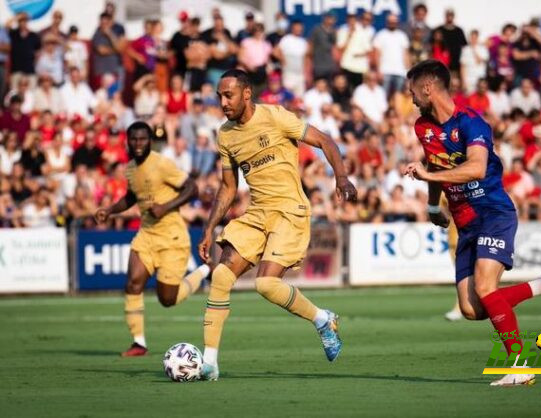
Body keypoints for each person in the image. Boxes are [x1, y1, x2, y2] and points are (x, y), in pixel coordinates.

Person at [403, 60, 541, 386]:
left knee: (487, 288)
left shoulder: (473, 123)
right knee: (472, 309)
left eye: (413, 90)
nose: (411, 97)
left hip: (493, 212)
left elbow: (474, 168)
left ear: (428, 87)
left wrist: (428, 175)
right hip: (464, 221)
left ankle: (520, 365)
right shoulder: (423, 127)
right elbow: (435, 162)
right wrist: (433, 205)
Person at [197, 69, 357, 381]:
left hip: (289, 211)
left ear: (246, 94)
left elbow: (324, 140)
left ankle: (322, 319)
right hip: (257, 213)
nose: (223, 101)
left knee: (266, 284)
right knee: (220, 276)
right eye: (219, 96)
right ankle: (209, 363)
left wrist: (341, 176)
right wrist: (208, 228)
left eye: (228, 95)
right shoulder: (225, 134)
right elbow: (228, 187)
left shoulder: (276, 117)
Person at [94, 121, 210, 357]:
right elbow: (130, 197)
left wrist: (166, 207)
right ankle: (139, 343)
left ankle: (205, 271)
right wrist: (110, 210)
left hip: (172, 238)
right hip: (146, 235)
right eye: (134, 139)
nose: (138, 144)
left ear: (150, 141)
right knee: (133, 283)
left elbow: (192, 188)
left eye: (142, 139)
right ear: (128, 141)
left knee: (167, 299)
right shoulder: (130, 169)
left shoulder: (161, 164)